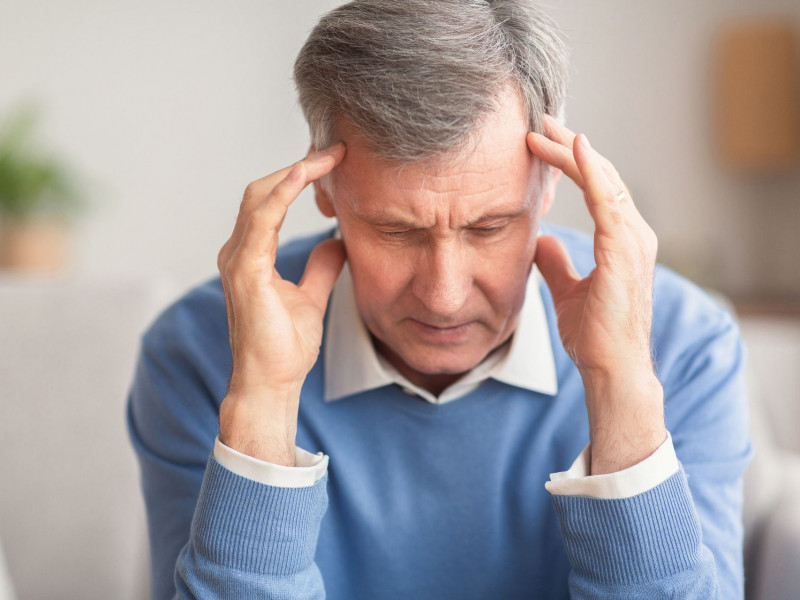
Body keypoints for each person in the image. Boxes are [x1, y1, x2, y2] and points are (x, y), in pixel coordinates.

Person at [127, 1, 752, 598]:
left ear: (551, 183)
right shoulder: (198, 352)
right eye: (397, 232)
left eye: (489, 228)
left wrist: (621, 386)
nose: (445, 295)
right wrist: (261, 400)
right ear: (323, 191)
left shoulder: (685, 345)